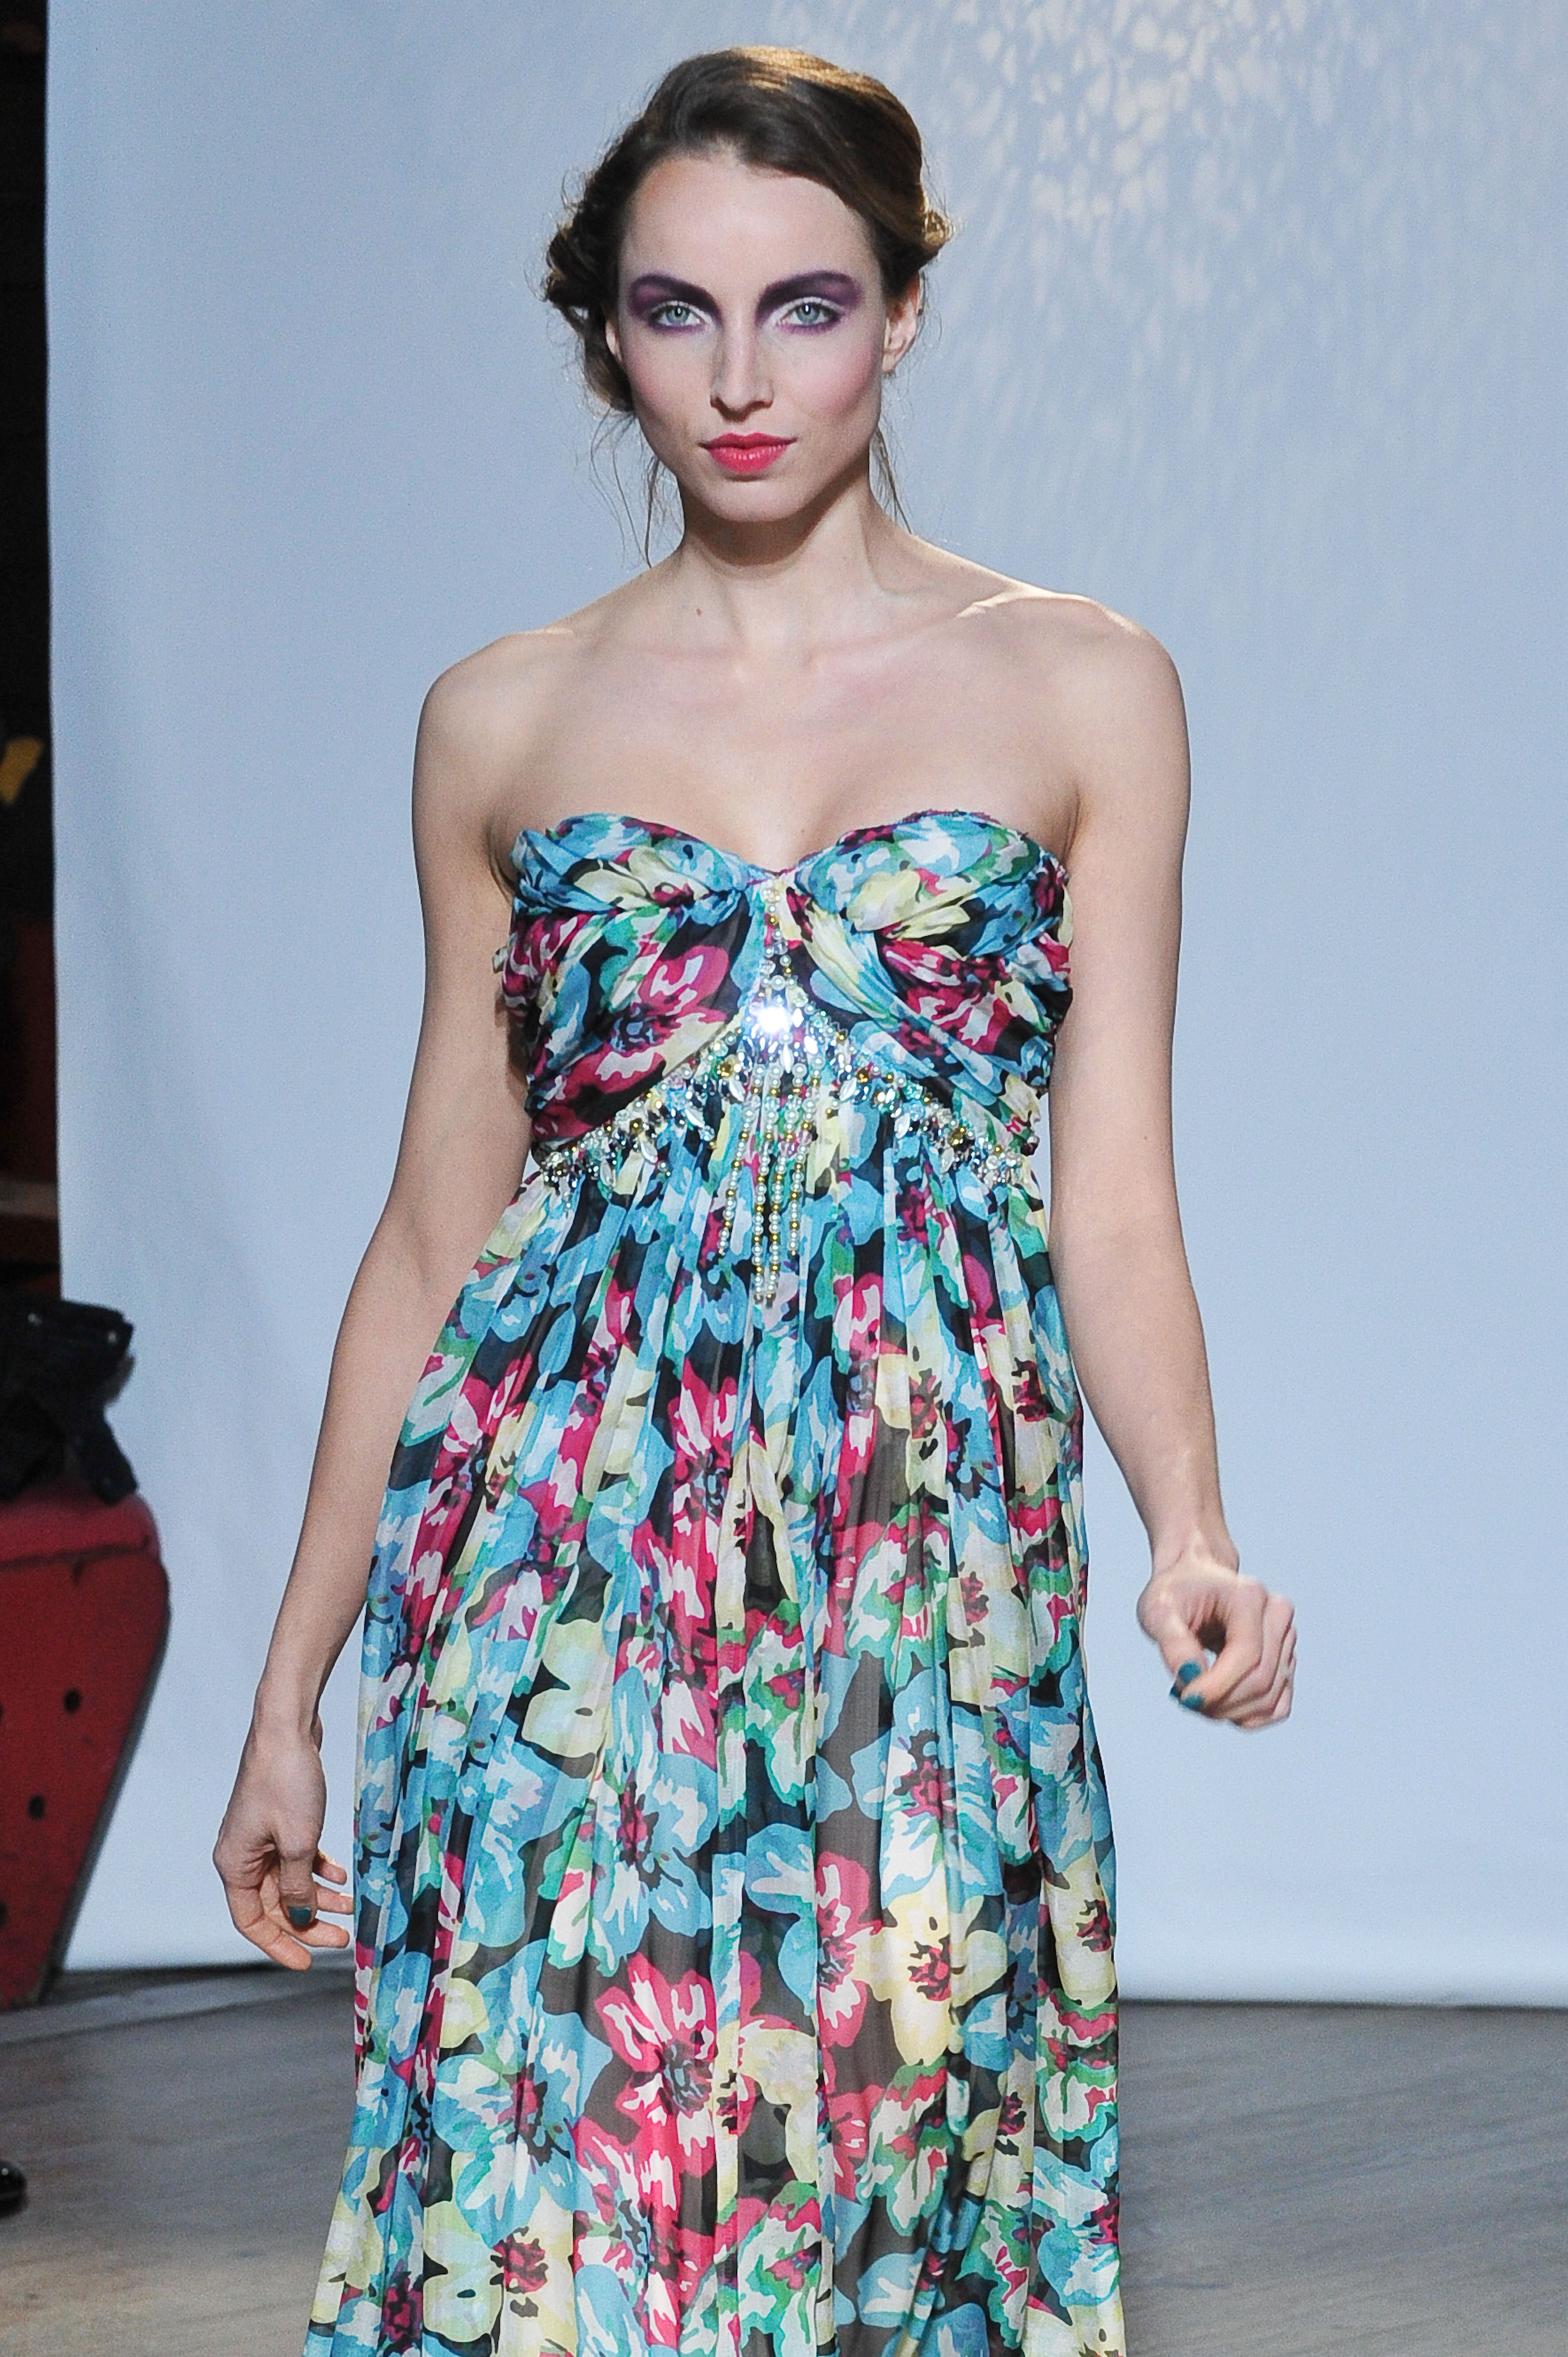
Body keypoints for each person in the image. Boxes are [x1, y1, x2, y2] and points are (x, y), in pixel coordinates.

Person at [215, 46, 1296, 2357]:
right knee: (547, 2184)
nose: (737, 379)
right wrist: (290, 1691)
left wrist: (1189, 1526)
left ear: (901, 312)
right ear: (604, 333)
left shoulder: (1085, 688)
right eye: (673, 311)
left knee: (899, 2168)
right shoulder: (501, 720)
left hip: (922, 1554)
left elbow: (1112, 1195)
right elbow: (430, 1233)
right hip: (557, 1553)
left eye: (802, 307)